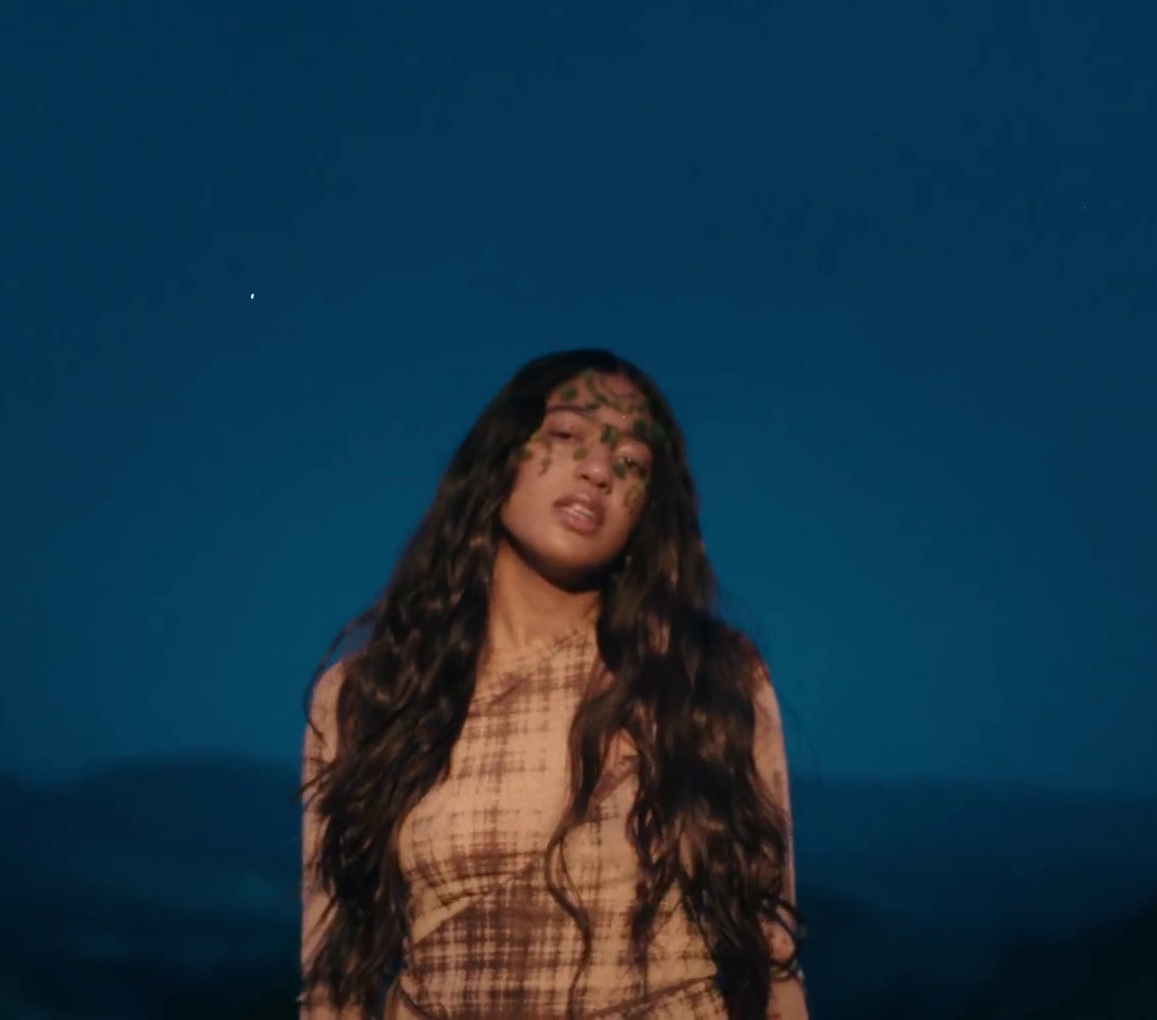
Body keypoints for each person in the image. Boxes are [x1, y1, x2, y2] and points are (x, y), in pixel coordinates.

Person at [300, 348, 806, 1018]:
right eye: (566, 434)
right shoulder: (371, 696)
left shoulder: (708, 679)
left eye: (632, 464)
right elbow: (334, 981)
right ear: (499, 459)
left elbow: (773, 959)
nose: (599, 470)